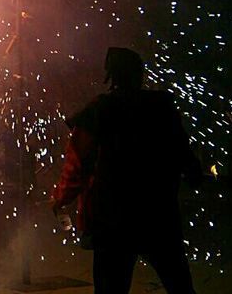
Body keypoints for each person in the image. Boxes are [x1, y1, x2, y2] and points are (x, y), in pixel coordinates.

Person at [52, 47, 206, 294]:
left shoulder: (100, 110)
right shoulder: (161, 108)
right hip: (158, 214)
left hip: (113, 219)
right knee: (180, 287)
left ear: (111, 75)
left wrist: (61, 198)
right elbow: (183, 152)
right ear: (139, 74)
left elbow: (77, 163)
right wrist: (194, 174)